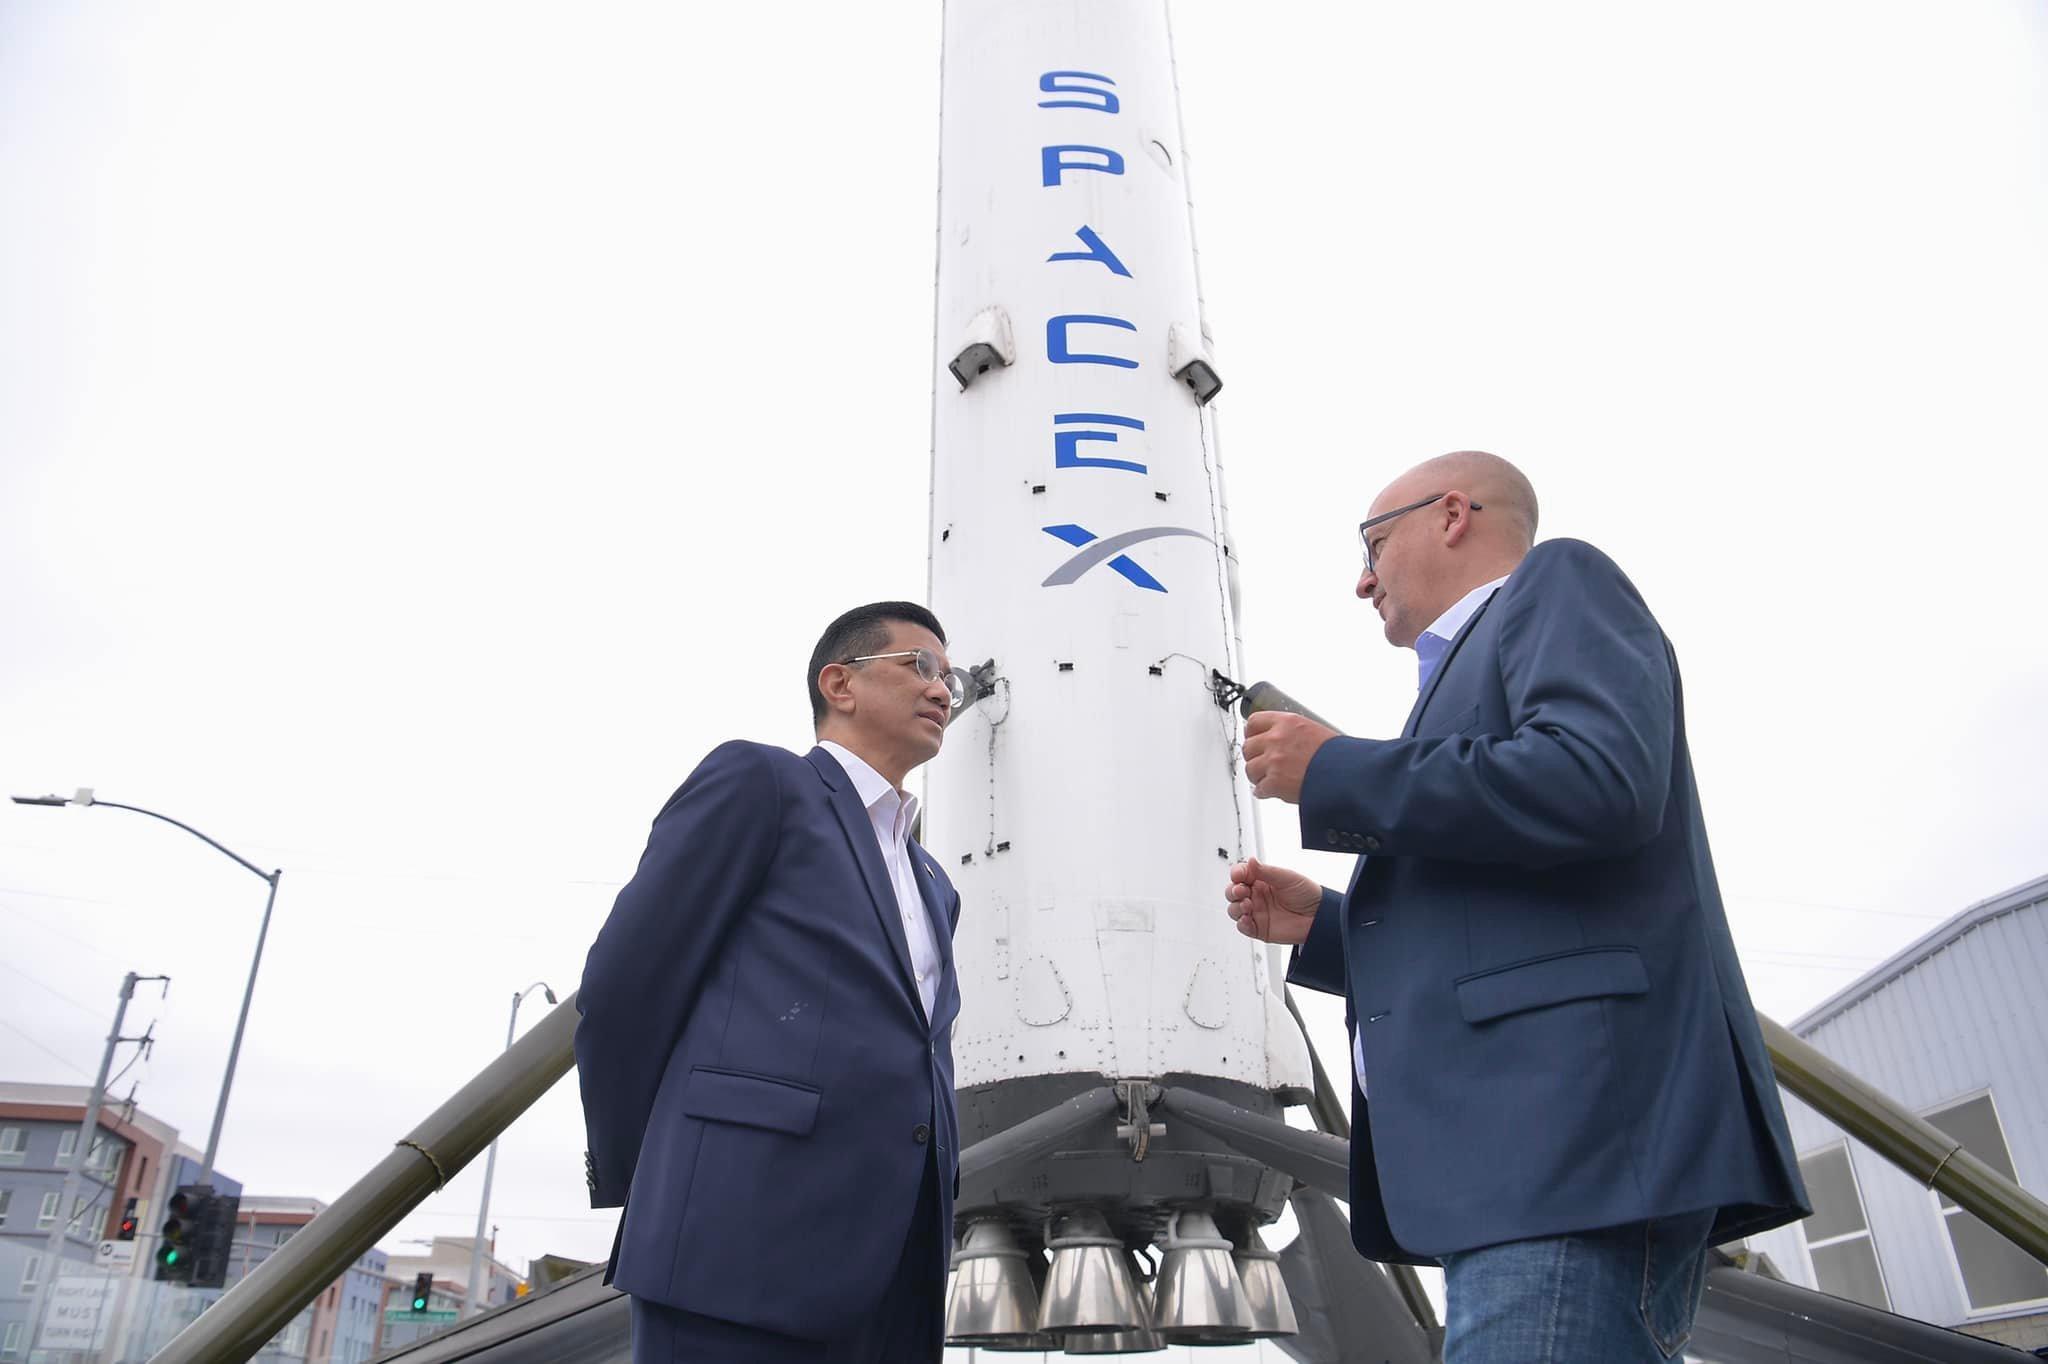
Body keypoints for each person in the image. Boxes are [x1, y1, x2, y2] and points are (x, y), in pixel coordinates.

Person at [1225, 452, 1808, 1363]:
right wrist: (1329, 928)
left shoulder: (1558, 582)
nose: (1361, 578)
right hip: (1523, 1165)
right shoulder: (1458, 676)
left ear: (1452, 514)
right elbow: (1506, 910)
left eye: (1374, 544)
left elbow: (1597, 782)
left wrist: (1337, 770)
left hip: (1572, 1151)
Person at [576, 601, 966, 1363]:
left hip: (896, 1269)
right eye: (921, 667)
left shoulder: (934, 882)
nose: (943, 690)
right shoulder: (764, 783)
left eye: (950, 677)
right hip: (735, 1246)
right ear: (839, 684)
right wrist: (660, 1179)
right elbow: (627, 987)